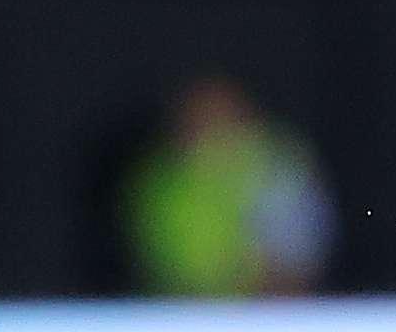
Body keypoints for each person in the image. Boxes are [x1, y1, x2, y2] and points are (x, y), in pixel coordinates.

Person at [125, 73, 333, 296]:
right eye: (198, 118)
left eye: (221, 116)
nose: (209, 128)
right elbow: (160, 269)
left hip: (270, 316)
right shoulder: (157, 184)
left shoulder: (278, 168)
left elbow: (297, 262)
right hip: (183, 316)